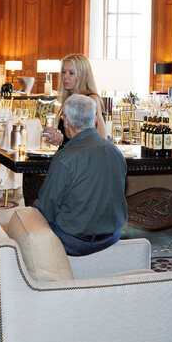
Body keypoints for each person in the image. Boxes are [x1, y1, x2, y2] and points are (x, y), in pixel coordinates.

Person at [35, 94, 126, 256]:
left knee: (30, 219)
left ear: (66, 121)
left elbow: (46, 208)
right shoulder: (115, 152)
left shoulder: (65, 157)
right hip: (112, 236)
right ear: (94, 120)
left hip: (76, 242)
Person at [39, 53, 108, 147]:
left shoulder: (91, 100)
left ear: (83, 75)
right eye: (63, 72)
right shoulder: (69, 99)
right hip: (70, 155)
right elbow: (73, 139)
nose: (65, 77)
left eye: (71, 73)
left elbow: (102, 140)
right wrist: (59, 140)